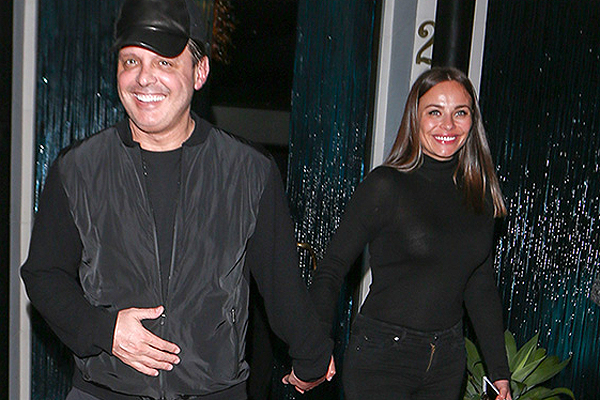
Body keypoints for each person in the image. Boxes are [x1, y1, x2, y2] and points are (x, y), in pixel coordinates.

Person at [20, 0, 334, 398]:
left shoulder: (248, 171)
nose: (143, 78)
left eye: (164, 62)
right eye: (131, 61)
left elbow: (282, 286)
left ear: (199, 72)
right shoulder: (77, 168)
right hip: (104, 390)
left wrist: (312, 359)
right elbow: (44, 275)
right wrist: (105, 330)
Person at [310, 67, 512, 400]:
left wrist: (499, 373)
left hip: (447, 361)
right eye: (435, 112)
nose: (448, 125)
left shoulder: (481, 197)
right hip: (383, 357)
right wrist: (314, 347)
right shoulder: (386, 186)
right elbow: (332, 268)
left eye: (460, 113)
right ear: (415, 118)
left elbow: (480, 285)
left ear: (472, 121)